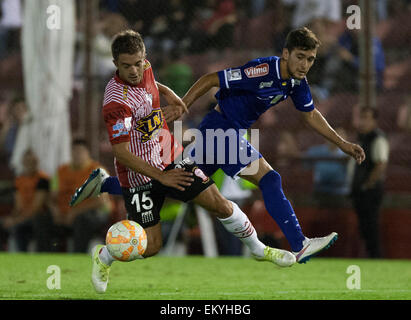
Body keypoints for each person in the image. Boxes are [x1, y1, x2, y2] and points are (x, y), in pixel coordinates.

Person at [74, 27, 361, 268]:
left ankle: (106, 185)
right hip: (222, 130)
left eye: (310, 59)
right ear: (286, 53)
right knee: (270, 178)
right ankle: (298, 244)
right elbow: (211, 79)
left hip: (216, 135)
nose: (305, 64)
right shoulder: (263, 70)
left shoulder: (297, 82)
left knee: (175, 191)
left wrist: (343, 143)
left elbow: (310, 114)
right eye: (300, 57)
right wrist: (185, 102)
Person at [50, 139, 111, 253]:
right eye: (74, 151)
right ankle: (45, 257)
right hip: (66, 212)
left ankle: (78, 255)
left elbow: (101, 202)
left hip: (95, 213)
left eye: (80, 151)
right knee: (43, 218)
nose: (77, 155)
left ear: (88, 153)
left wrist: (74, 212)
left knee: (82, 219)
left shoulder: (97, 171)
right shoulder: (61, 171)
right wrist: (55, 210)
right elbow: (52, 198)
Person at [349, 107, 389, 258]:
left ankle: (375, 256)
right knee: (364, 227)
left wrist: (367, 185)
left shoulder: (377, 138)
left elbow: (381, 164)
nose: (363, 121)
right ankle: (370, 256)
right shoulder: (363, 138)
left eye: (367, 118)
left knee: (371, 226)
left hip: (370, 191)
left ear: (374, 121)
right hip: (361, 190)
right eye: (362, 117)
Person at [2, 149, 53, 252]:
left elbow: (36, 208)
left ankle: (41, 254)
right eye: (27, 161)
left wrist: (16, 220)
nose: (30, 164)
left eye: (32, 161)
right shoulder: (19, 180)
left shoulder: (43, 179)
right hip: (23, 216)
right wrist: (12, 217)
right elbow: (18, 206)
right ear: (23, 162)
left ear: (37, 162)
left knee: (31, 224)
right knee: (4, 223)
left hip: (40, 216)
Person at [304, 127, 350, 208]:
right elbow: (304, 166)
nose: (338, 138)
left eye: (340, 135)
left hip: (340, 193)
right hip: (320, 191)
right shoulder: (316, 151)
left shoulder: (347, 155)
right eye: (334, 135)